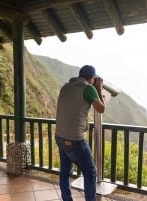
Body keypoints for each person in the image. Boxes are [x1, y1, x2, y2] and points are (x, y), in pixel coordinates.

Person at [55, 65, 105, 201]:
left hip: (59, 136)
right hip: (74, 140)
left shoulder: (66, 87)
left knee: (65, 171)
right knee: (90, 172)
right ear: (92, 78)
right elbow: (101, 108)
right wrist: (98, 88)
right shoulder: (89, 89)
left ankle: (67, 199)